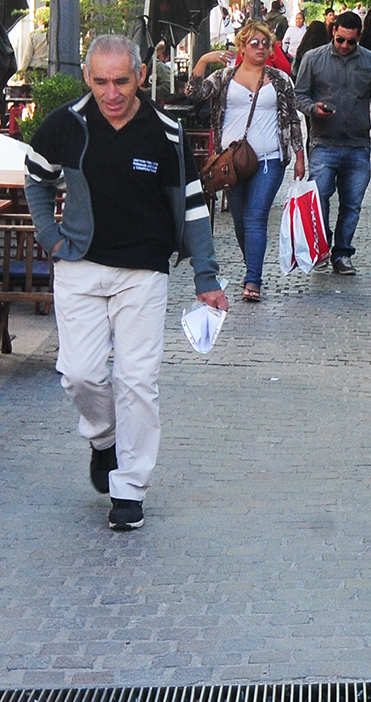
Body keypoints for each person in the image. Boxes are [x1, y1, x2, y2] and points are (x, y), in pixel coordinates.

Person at [26, 36, 226, 531]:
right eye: (100, 81)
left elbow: (194, 206)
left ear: (140, 75)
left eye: (120, 80)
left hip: (143, 270)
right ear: (87, 78)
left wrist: (206, 275)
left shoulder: (166, 132)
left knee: (137, 380)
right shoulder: (66, 124)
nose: (111, 92)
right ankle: (103, 439)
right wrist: (49, 237)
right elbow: (35, 177)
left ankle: (130, 489)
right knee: (80, 374)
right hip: (79, 264)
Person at [189, 21, 306, 303]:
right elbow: (194, 93)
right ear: (242, 47)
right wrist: (205, 59)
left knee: (255, 218)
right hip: (233, 161)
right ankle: (251, 263)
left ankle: (253, 279)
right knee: (241, 221)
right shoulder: (226, 77)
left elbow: (292, 118)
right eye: (254, 43)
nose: (261, 48)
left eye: (266, 43)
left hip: (270, 159)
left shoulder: (279, 79)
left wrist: (300, 156)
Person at [294, 11, 371, 276]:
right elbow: (299, 96)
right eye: (340, 40)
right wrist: (314, 108)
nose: (344, 46)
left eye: (351, 42)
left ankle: (342, 252)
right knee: (322, 198)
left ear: (359, 37)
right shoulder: (313, 59)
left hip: (357, 144)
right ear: (333, 32)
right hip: (323, 143)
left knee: (352, 203)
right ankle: (324, 245)